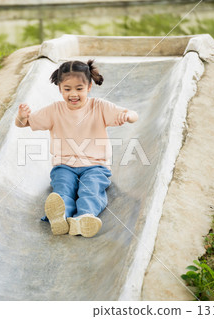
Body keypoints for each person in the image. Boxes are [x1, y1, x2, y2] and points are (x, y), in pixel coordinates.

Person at [15, 60, 138, 238]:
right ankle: (61, 218)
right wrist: (21, 116)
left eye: (79, 89)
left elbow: (133, 114)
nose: (73, 94)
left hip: (95, 166)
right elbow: (23, 124)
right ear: (60, 89)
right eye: (67, 89)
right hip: (64, 165)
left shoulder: (100, 106)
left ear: (89, 87)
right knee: (63, 188)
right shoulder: (54, 110)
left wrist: (127, 116)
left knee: (91, 190)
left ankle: (83, 218)